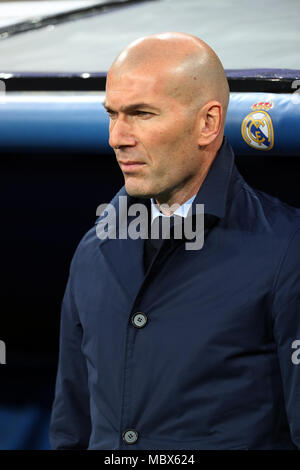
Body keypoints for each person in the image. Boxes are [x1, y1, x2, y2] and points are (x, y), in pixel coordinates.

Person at [49, 32, 300, 450]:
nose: (117, 137)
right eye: (112, 114)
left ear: (208, 123)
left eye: (142, 114)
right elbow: (70, 429)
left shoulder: (287, 250)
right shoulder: (93, 251)